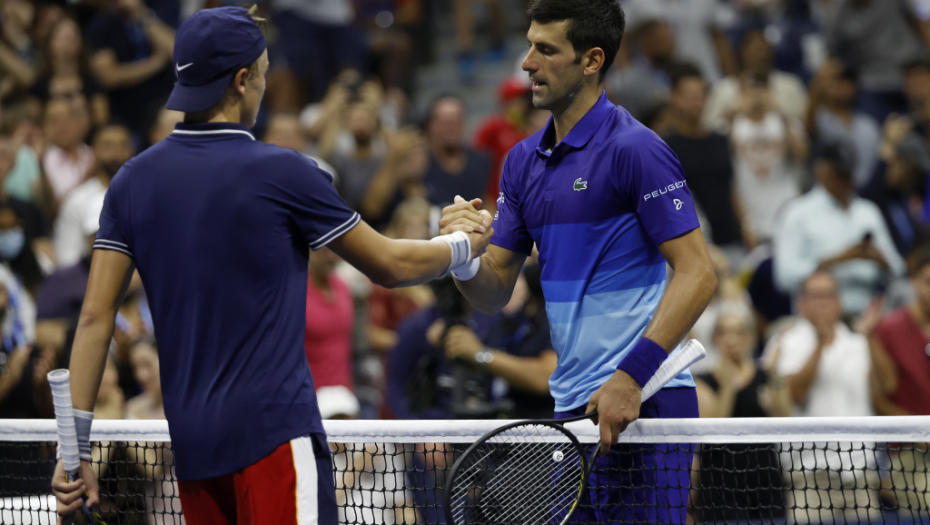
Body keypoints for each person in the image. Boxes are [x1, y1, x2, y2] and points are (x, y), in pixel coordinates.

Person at [51, 7, 493, 524]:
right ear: (242, 81)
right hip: (274, 441)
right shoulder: (284, 171)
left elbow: (93, 318)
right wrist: (464, 244)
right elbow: (391, 265)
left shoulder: (130, 181)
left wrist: (72, 448)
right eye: (261, 71)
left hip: (194, 452)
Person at [440, 1, 717, 523]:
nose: (526, 62)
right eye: (529, 45)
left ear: (592, 60)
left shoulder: (637, 149)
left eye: (546, 50)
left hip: (645, 403)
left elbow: (699, 273)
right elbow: (495, 288)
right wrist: (463, 256)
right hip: (572, 413)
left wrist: (631, 377)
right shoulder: (522, 161)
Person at [774, 143, 905, 316]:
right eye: (839, 173)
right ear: (820, 170)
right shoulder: (797, 213)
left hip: (866, 313)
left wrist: (881, 260)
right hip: (817, 315)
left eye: (849, 173)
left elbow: (899, 270)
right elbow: (784, 278)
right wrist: (837, 260)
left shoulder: (867, 211)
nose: (846, 180)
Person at [692, 302, 790, 523]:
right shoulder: (702, 382)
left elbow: (786, 422)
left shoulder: (768, 377)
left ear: (750, 338)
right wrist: (728, 386)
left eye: (738, 332)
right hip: (719, 485)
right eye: (724, 332)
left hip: (765, 480)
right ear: (715, 339)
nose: (731, 339)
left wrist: (774, 379)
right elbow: (713, 432)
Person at [663, 64, 746, 250]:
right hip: (697, 243)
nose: (696, 103)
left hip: (732, 237)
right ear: (673, 97)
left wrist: (745, 225)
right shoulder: (665, 146)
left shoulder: (719, 139)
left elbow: (730, 186)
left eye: (701, 96)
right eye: (690, 97)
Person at [53, 125, 133, 268]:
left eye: (123, 145)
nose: (116, 154)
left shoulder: (147, 197)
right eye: (108, 146)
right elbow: (67, 261)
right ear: (94, 151)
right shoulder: (77, 200)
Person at [304, 247, 359, 420]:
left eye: (333, 249)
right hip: (308, 398)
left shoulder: (343, 286)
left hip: (344, 396)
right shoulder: (295, 291)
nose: (330, 256)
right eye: (322, 250)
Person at [422, 94, 492, 207]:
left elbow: (492, 204)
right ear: (431, 125)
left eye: (456, 121)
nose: (451, 128)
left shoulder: (483, 162)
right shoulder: (419, 166)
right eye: (445, 122)